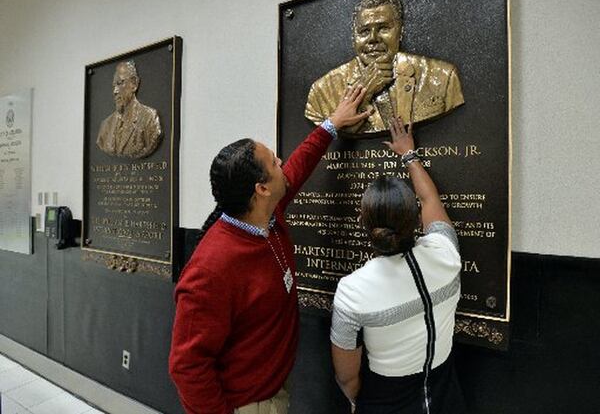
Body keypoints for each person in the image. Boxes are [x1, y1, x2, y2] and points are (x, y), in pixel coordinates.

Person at [169, 86, 371, 414]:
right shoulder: (210, 269)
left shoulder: (267, 213)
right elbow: (186, 366)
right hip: (248, 404)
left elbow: (297, 168)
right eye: (274, 162)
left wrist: (331, 124)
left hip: (275, 385)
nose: (281, 162)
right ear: (261, 189)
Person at [330, 116, 466, 413]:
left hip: (386, 400)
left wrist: (359, 402)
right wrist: (409, 154)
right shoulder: (446, 255)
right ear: (416, 220)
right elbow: (430, 199)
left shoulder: (352, 291)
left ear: (363, 224)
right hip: (445, 395)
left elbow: (347, 376)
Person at [305, 0, 464, 136]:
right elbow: (323, 143)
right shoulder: (321, 92)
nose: (373, 38)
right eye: (364, 31)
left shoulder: (443, 77)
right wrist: (363, 94)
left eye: (383, 28)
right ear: (354, 37)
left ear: (400, 31)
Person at [96, 60, 162, 158]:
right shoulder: (105, 126)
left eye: (120, 83)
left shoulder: (149, 119)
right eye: (114, 85)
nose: (115, 91)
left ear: (134, 84)